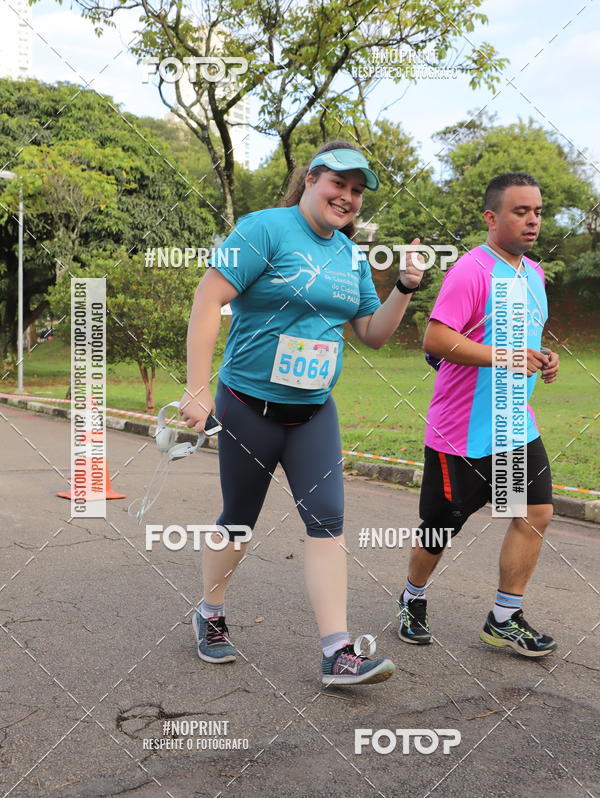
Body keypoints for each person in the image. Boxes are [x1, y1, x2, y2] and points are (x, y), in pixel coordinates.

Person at [180, 140, 424, 685]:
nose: (348, 197)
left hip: (313, 410)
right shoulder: (264, 228)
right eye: (340, 183)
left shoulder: (350, 256)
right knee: (238, 521)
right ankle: (211, 612)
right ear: (312, 178)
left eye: (358, 191)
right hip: (247, 404)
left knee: (328, 521)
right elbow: (207, 299)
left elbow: (373, 334)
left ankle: (338, 651)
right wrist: (198, 390)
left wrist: (405, 288)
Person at [397, 172, 560, 658]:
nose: (532, 220)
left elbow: (524, 341)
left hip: (515, 424)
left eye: (536, 211)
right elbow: (437, 340)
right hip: (461, 432)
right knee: (441, 525)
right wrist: (506, 355)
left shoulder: (534, 276)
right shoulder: (471, 270)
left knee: (534, 512)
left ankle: (504, 618)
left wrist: (542, 358)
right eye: (519, 211)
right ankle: (412, 600)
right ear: (492, 218)